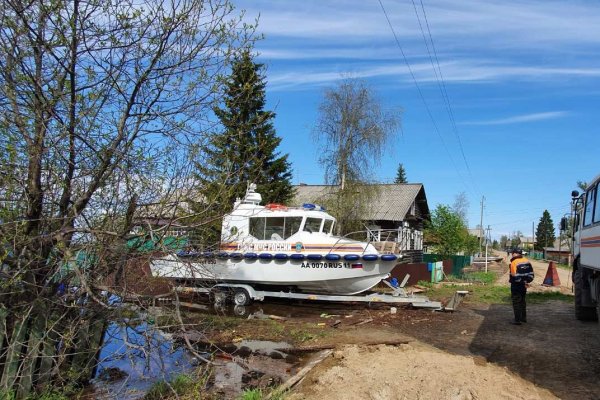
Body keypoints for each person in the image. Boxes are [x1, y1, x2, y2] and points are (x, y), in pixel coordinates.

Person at [508, 248, 535, 325]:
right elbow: (531, 274)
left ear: (515, 253)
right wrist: (526, 282)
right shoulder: (527, 261)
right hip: (524, 285)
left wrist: (522, 282)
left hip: (516, 285)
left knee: (516, 302)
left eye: (512, 253)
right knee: (522, 301)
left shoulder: (514, 262)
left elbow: (514, 276)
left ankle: (517, 320)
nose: (512, 254)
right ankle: (523, 318)